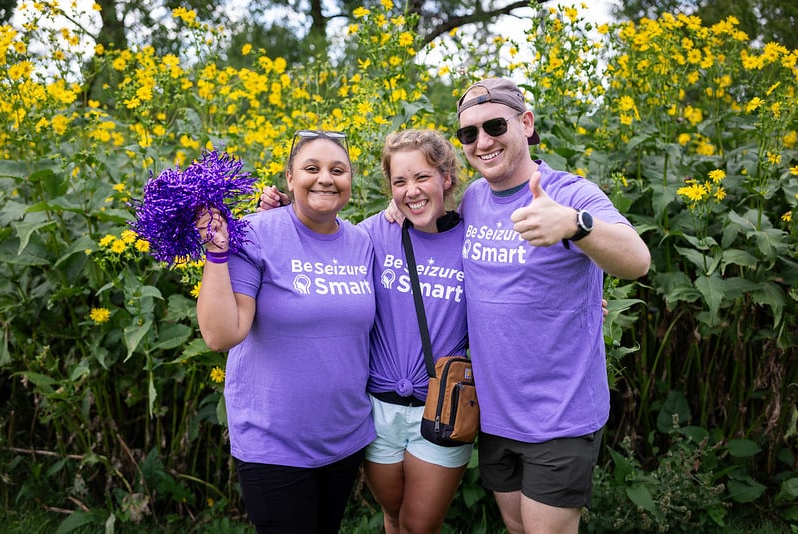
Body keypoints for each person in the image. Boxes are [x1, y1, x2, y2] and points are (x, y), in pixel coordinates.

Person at [452, 78, 651, 534]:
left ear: (526, 122)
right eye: (468, 133)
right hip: (496, 414)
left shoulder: (571, 194)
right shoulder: (472, 200)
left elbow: (638, 260)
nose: (483, 142)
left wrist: (575, 226)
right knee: (517, 527)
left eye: (495, 125)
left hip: (559, 415)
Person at [260, 129, 472, 533]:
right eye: (399, 182)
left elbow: (513, 288)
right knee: (392, 516)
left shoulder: (471, 237)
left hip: (440, 404)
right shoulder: (373, 233)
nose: (411, 191)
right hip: (376, 409)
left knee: (418, 524)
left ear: (446, 178)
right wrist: (285, 209)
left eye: (422, 177)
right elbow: (320, 238)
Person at [196, 129, 376, 533]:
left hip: (344, 438)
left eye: (338, 169)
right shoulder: (256, 232)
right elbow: (220, 335)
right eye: (311, 168)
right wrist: (217, 252)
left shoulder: (363, 242)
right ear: (289, 179)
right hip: (273, 443)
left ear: (351, 180)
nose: (325, 178)